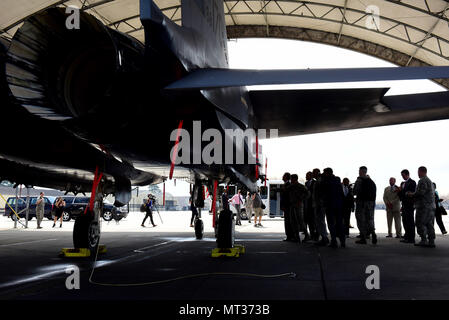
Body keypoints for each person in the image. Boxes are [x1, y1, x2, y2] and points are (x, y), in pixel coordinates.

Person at [407, 167, 436, 247]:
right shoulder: (429, 181)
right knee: (429, 224)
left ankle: (424, 240)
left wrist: (411, 194)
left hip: (423, 207)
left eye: (418, 172)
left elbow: (420, 193)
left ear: (421, 172)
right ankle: (431, 241)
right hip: (431, 206)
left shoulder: (423, 180)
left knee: (420, 222)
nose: (418, 174)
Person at [320, 168, 345, 248]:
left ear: (327, 173)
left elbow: (323, 191)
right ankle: (342, 241)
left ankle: (334, 241)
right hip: (339, 205)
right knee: (340, 223)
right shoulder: (337, 180)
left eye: (324, 173)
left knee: (331, 224)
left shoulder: (325, 181)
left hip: (330, 205)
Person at [353, 166, 377, 245]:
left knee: (360, 220)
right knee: (370, 219)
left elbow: (355, 191)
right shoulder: (371, 181)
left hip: (362, 203)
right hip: (371, 203)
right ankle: (373, 233)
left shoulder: (359, 180)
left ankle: (363, 238)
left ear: (361, 171)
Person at [288, 174, 310, 243]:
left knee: (300, 221)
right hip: (292, 205)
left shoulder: (300, 186)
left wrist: (301, 199)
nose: (290, 180)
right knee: (293, 222)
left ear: (295, 179)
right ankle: (296, 237)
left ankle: (306, 236)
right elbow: (284, 190)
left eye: (291, 179)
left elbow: (308, 193)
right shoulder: (291, 186)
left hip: (298, 205)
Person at [398, 169, 417, 244]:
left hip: (410, 204)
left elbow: (412, 193)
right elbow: (401, 196)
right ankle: (407, 236)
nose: (402, 177)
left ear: (407, 174)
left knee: (410, 221)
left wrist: (404, 192)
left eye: (403, 175)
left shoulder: (412, 182)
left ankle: (411, 238)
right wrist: (399, 191)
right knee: (404, 221)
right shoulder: (402, 183)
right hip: (404, 204)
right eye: (401, 176)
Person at [312, 168, 329, 246]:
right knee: (321, 221)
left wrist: (319, 204)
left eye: (313, 172)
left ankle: (324, 238)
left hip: (320, 205)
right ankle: (324, 237)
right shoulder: (320, 180)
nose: (312, 174)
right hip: (321, 204)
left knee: (320, 221)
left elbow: (319, 194)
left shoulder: (319, 181)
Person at [304, 171, 318, 241]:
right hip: (307, 204)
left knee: (314, 221)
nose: (305, 176)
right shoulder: (306, 183)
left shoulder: (315, 183)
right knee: (309, 221)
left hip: (313, 204)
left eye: (307, 175)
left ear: (310, 176)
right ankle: (311, 235)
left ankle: (315, 235)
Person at [280, 172, 293, 241]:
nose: (282, 177)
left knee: (288, 222)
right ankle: (289, 236)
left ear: (286, 177)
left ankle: (289, 236)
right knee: (287, 221)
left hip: (287, 206)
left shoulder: (288, 184)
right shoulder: (286, 184)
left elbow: (286, 196)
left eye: (283, 176)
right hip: (286, 206)